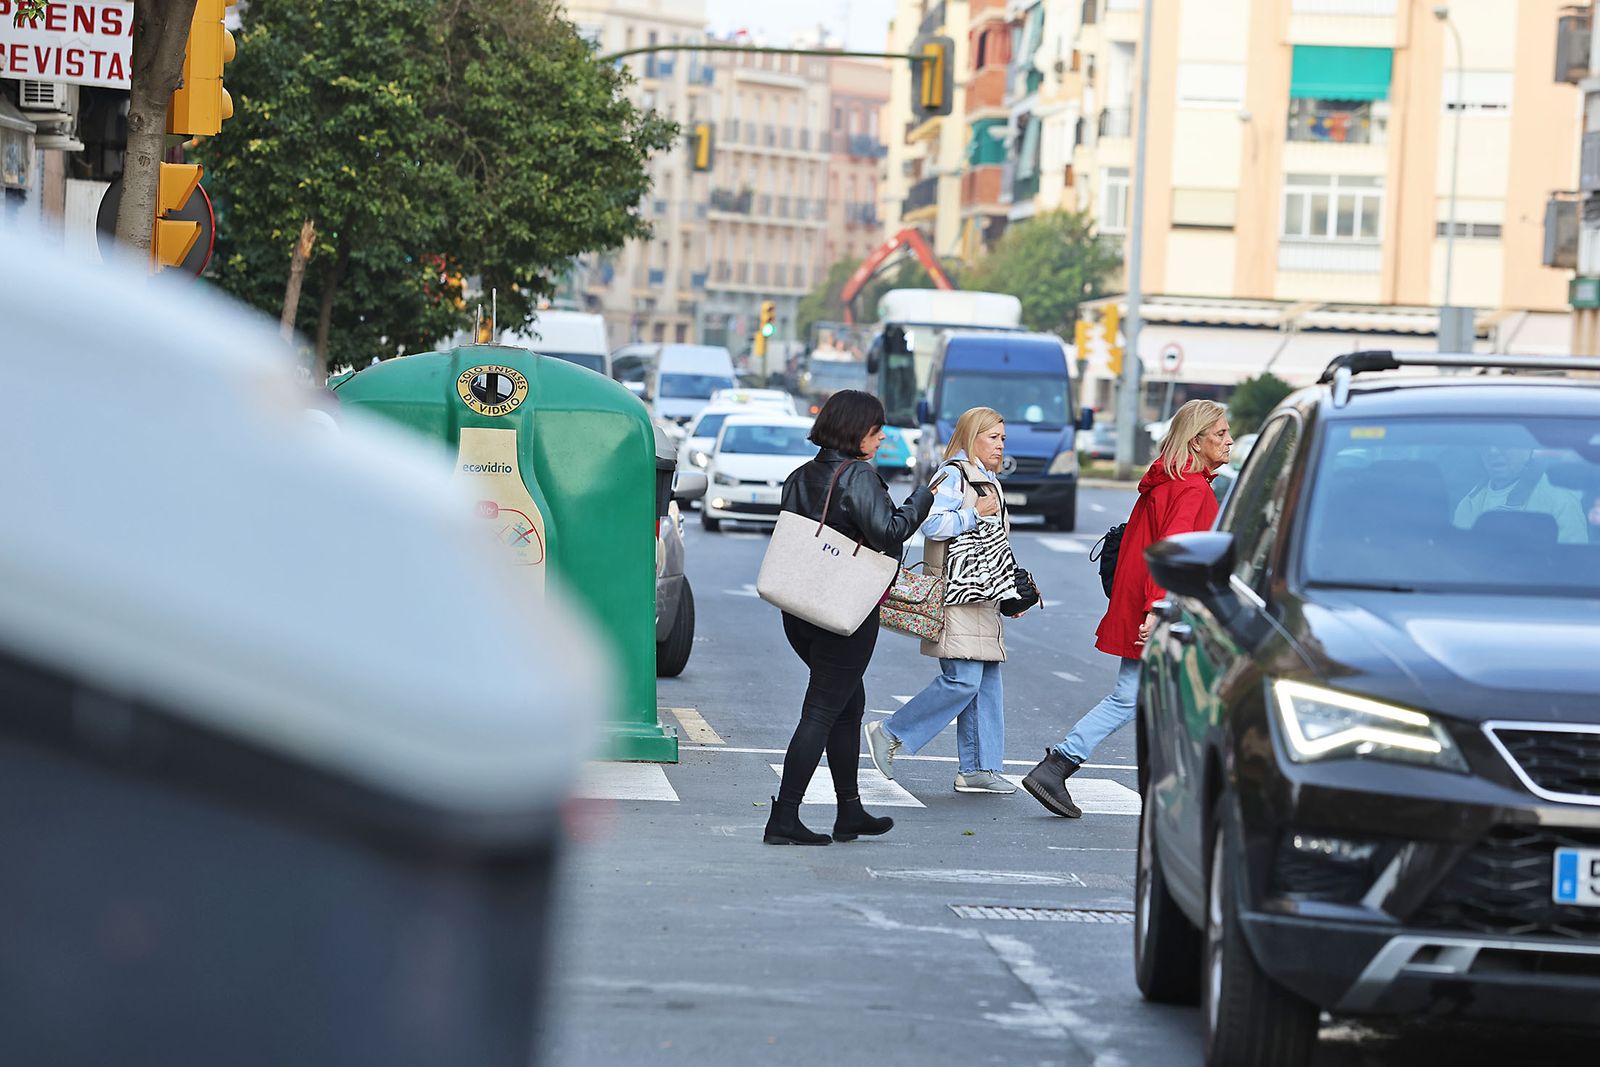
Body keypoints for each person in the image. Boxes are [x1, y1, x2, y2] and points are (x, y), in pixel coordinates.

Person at [1022, 400, 1232, 818]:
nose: (1229, 441)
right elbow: (1172, 553)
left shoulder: (1169, 482)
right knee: (1155, 696)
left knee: (1158, 697)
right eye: (1221, 434)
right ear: (1197, 440)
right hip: (1166, 610)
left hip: (1151, 604)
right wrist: (1158, 610)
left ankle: (1066, 767)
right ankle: (1060, 765)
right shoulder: (1190, 489)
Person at [765, 390, 935, 845]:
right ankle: (783, 818)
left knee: (847, 705)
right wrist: (922, 498)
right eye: (876, 431)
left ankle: (850, 811)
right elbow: (890, 533)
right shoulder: (857, 476)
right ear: (856, 431)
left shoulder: (800, 475)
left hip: (800, 607)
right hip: (843, 609)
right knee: (821, 710)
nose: (881, 439)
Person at [864, 407, 1031, 795]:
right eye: (993, 437)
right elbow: (932, 523)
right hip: (956, 595)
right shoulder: (954, 475)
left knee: (987, 682)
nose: (1000, 444)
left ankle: (979, 768)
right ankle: (890, 731)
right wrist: (974, 512)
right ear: (971, 436)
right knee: (963, 680)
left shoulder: (987, 479)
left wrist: (1011, 591)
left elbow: (995, 546)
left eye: (1003, 438)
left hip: (983, 597)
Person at [1452, 444, 1588, 544]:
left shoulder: (1560, 501)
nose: (1493, 451)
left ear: (1527, 450)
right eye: (1487, 443)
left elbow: (1573, 562)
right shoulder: (1469, 502)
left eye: (1504, 442)